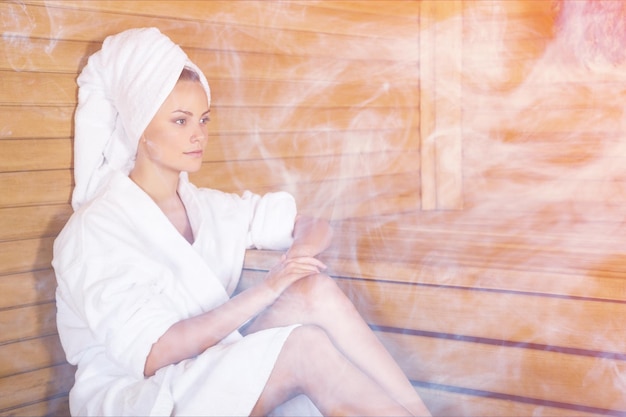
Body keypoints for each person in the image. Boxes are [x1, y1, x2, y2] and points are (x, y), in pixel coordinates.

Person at [52, 27, 431, 417]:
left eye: (203, 119)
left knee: (312, 291)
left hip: (202, 370)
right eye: (180, 122)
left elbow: (313, 224)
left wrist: (296, 259)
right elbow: (153, 354)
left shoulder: (208, 208)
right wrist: (268, 288)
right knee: (305, 347)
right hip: (142, 397)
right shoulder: (94, 230)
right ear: (139, 129)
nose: (198, 135)